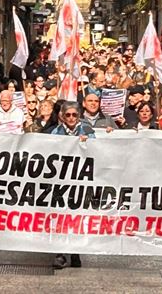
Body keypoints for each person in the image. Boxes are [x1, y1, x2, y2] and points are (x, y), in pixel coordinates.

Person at [50, 102, 97, 269]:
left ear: (79, 116)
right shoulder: (56, 132)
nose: (71, 118)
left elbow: (97, 152)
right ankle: (60, 253)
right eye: (67, 115)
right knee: (61, 217)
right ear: (62, 116)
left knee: (77, 216)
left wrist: (87, 144)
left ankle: (75, 251)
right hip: (62, 181)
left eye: (74, 115)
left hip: (80, 181)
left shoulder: (88, 131)